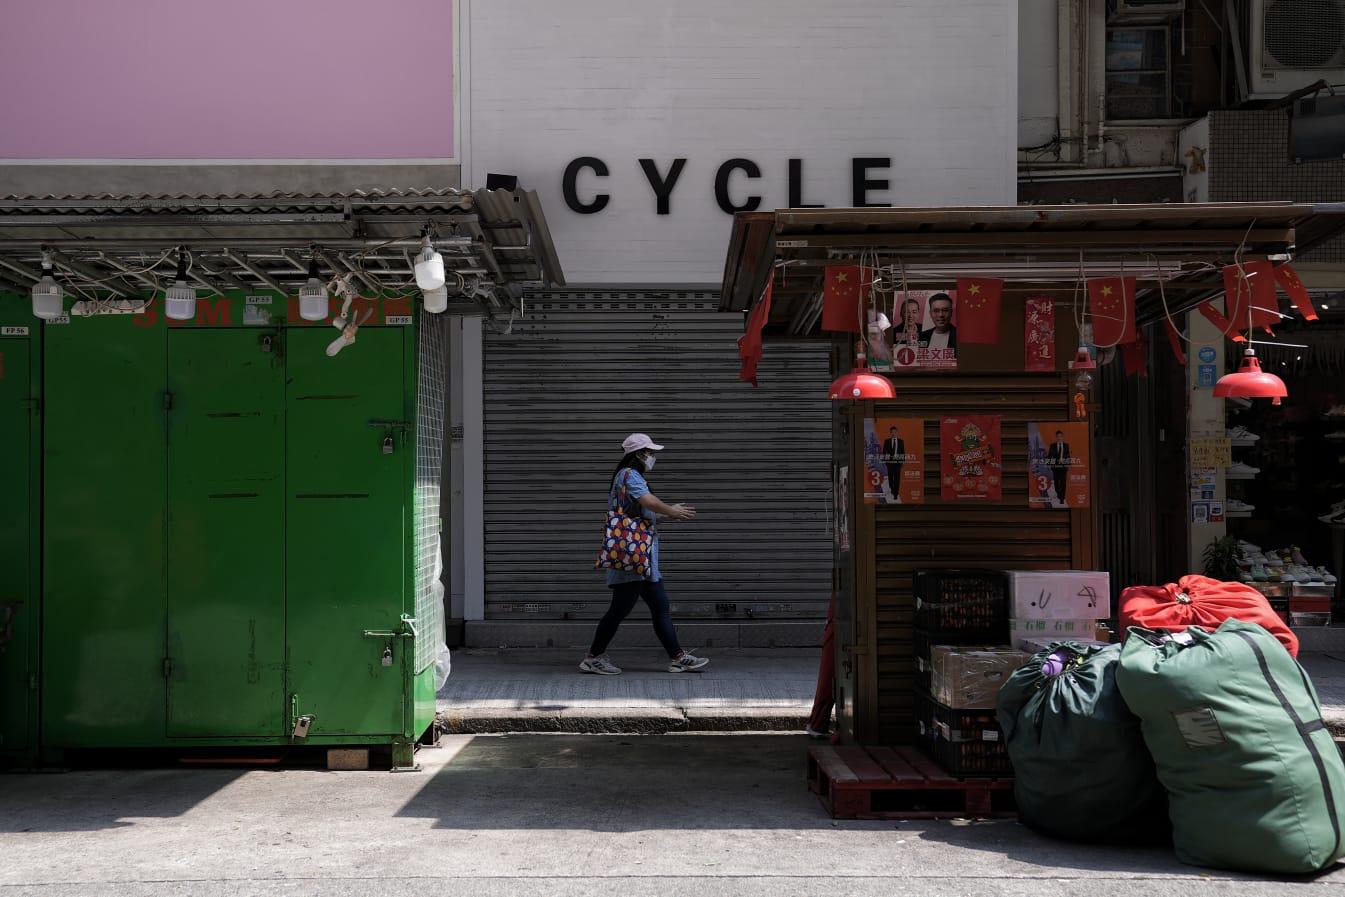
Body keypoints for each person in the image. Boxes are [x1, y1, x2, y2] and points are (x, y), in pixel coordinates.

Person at [581, 433, 711, 675]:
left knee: (660, 607)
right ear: (639, 454)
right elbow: (648, 501)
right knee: (619, 611)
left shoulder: (629, 476)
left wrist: (670, 514)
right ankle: (593, 657)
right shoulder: (629, 475)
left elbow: (643, 512)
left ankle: (678, 657)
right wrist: (671, 511)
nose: (652, 457)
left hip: (642, 558)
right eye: (650, 452)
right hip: (632, 559)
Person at [1046, 429, 1071, 507]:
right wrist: (1049, 464)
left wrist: (1068, 464)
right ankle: (1058, 493)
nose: (1059, 438)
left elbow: (1068, 455)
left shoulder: (1066, 445)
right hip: (1055, 467)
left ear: (1062, 437)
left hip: (1063, 467)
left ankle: (1062, 498)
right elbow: (1049, 455)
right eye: (1058, 436)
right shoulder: (1052, 445)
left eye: (1061, 436)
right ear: (1056, 437)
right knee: (1056, 483)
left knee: (1063, 482)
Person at [883, 426, 905, 502]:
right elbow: (884, 452)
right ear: (890, 433)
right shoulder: (887, 441)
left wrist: (902, 462)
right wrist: (885, 461)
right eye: (892, 432)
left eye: (895, 432)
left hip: (897, 463)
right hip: (889, 463)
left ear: (897, 433)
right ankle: (892, 489)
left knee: (897, 479)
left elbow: (902, 452)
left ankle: (895, 494)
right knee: (890, 479)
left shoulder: (901, 441)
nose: (893, 434)